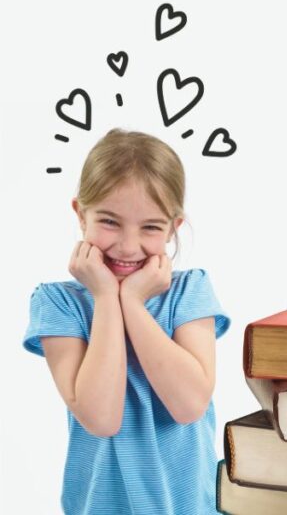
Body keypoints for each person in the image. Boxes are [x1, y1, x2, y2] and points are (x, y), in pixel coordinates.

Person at [24, 129, 230, 513]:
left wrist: (132, 302)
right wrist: (106, 297)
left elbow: (188, 405)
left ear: (174, 227)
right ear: (80, 213)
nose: (128, 246)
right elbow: (100, 418)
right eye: (110, 222)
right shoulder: (58, 304)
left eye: (150, 227)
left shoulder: (190, 291)